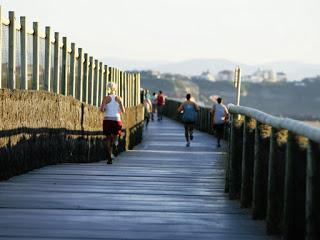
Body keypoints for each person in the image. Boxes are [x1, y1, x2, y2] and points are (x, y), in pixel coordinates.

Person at [100, 82, 125, 164]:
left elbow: (102, 109)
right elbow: (123, 111)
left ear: (107, 88)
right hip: (117, 120)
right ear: (115, 89)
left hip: (107, 120)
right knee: (115, 137)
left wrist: (106, 109)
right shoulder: (119, 98)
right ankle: (115, 143)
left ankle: (109, 157)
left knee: (108, 138)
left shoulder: (106, 98)